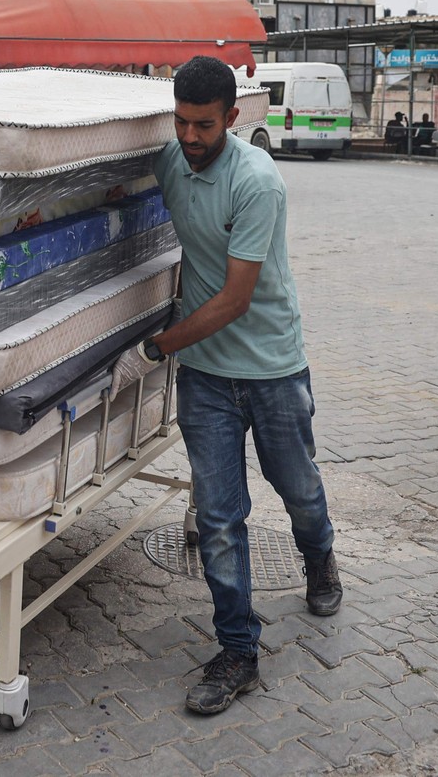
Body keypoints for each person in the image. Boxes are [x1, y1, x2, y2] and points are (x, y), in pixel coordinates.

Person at [137, 55, 341, 716]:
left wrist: (159, 345)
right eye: (181, 121)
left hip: (272, 369)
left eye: (203, 124)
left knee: (300, 491)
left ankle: (320, 556)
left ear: (232, 117)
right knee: (221, 518)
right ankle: (237, 651)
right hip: (206, 377)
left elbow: (234, 299)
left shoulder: (257, 182)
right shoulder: (171, 160)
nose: (190, 136)